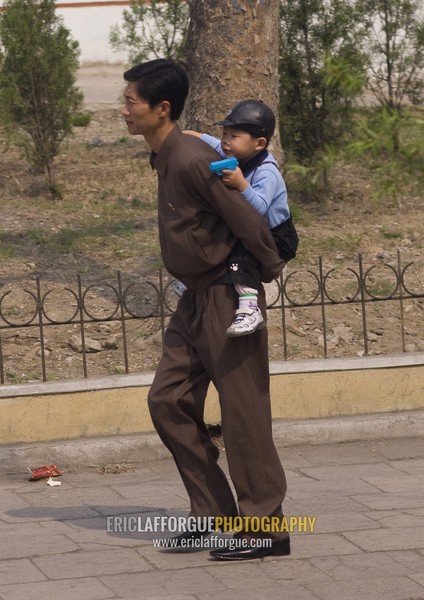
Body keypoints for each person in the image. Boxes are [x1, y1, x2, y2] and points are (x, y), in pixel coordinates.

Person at [122, 58, 290, 561]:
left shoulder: (194, 159)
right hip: (195, 298)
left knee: (243, 413)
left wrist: (263, 275)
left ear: (162, 108)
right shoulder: (166, 155)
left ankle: (267, 530)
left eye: (131, 102)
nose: (124, 110)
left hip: (227, 292)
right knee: (168, 401)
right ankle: (215, 515)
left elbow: (250, 221)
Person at [181, 99, 299, 337]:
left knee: (242, 256)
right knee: (220, 235)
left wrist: (242, 184)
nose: (225, 140)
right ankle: (196, 277)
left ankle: (249, 309)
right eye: (224, 132)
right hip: (254, 230)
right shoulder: (235, 154)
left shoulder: (267, 172)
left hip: (277, 236)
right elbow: (212, 142)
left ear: (259, 143)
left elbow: (259, 210)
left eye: (233, 136)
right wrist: (189, 135)